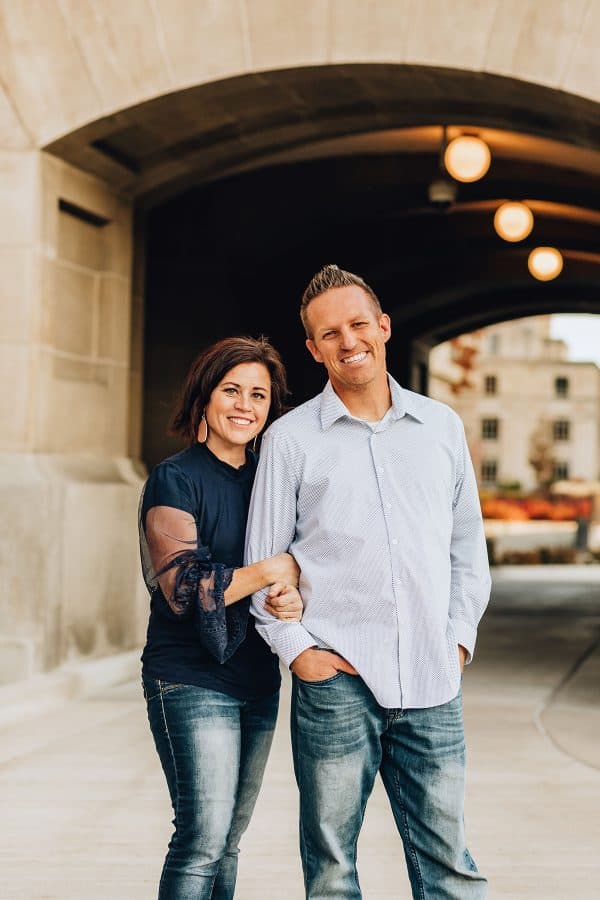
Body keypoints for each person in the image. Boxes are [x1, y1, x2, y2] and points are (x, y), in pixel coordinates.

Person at [245, 265, 492, 899]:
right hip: (338, 685)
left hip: (433, 680)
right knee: (330, 869)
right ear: (312, 348)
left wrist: (458, 637)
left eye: (359, 324)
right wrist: (300, 652)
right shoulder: (290, 441)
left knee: (451, 868)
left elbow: (467, 547)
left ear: (383, 327)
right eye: (330, 333)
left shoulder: (442, 428)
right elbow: (264, 561)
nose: (348, 340)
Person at [139, 335, 303, 900]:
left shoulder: (272, 480)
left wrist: (292, 593)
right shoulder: (175, 478)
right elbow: (184, 589)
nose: (244, 405)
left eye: (258, 395)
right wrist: (271, 570)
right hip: (189, 676)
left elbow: (300, 566)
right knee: (201, 839)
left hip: (257, 678)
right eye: (231, 389)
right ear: (205, 397)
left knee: (229, 842)